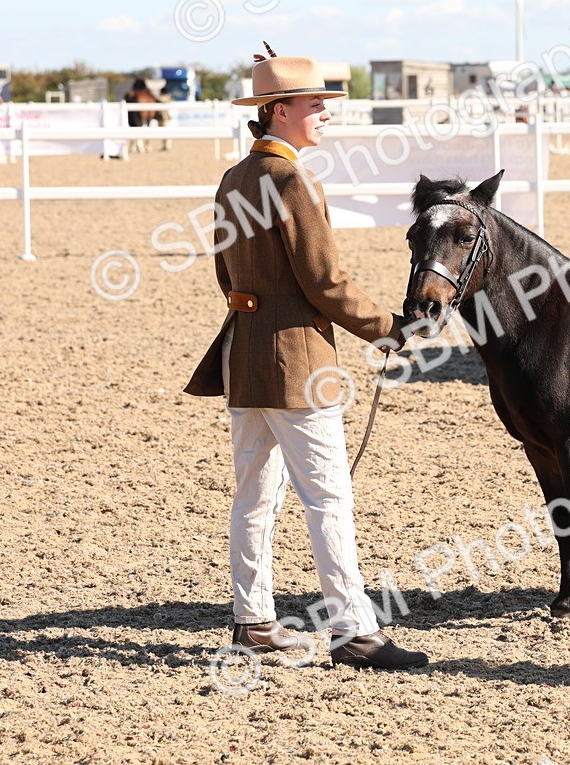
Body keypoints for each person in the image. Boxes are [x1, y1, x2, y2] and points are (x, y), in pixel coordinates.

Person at [184, 45, 427, 670]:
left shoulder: (235, 178)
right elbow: (326, 282)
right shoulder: (292, 180)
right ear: (279, 110)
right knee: (327, 498)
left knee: (253, 498)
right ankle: (352, 630)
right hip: (298, 361)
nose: (325, 113)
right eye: (315, 104)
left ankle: (252, 622)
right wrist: (387, 328)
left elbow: (223, 270)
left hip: (244, 353)